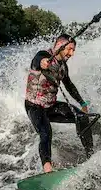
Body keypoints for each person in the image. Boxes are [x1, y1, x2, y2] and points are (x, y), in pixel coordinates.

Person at [23, 34, 96, 173]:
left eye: (73, 50)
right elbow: (38, 60)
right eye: (70, 49)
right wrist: (43, 62)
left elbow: (69, 85)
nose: (72, 53)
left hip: (51, 107)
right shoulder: (43, 55)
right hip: (34, 107)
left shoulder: (63, 66)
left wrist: (82, 103)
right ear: (59, 46)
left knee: (81, 117)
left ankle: (91, 156)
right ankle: (48, 169)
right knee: (46, 132)